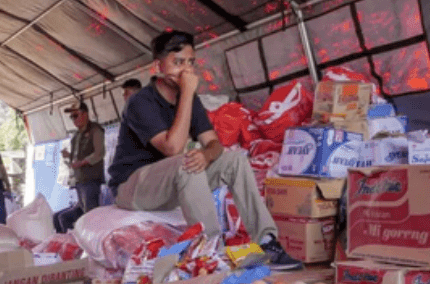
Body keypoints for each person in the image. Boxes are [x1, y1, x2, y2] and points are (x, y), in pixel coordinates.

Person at [107, 30, 302, 270]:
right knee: (185, 161)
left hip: (171, 181)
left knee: (234, 160)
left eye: (190, 62)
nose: (186, 70)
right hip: (133, 186)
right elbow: (172, 148)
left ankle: (266, 241)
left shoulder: (189, 99)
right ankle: (211, 250)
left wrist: (206, 155)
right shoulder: (140, 102)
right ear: (157, 67)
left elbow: (214, 143)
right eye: (178, 62)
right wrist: (187, 93)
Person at [60, 101, 105, 214]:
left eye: (75, 115)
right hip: (79, 180)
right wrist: (69, 156)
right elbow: (77, 156)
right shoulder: (76, 135)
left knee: (91, 215)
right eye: (71, 117)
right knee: (66, 217)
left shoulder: (95, 130)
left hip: (91, 180)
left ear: (85, 114)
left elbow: (99, 153)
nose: (73, 119)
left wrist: (81, 163)